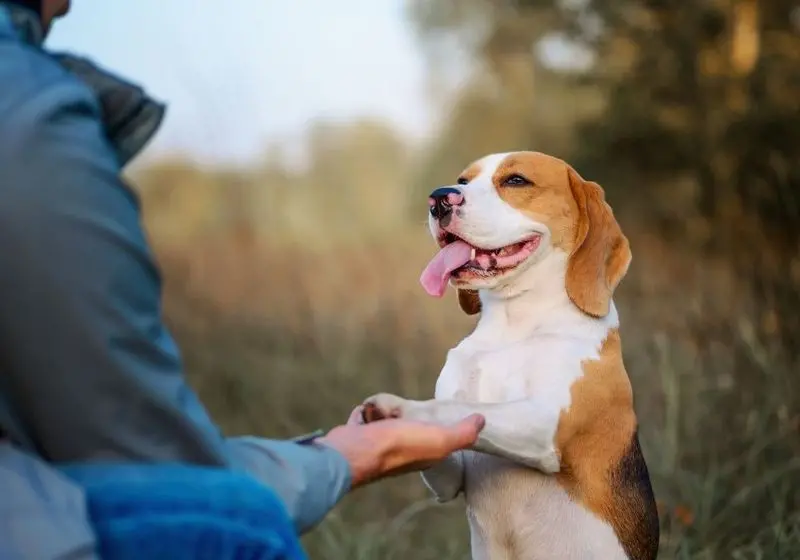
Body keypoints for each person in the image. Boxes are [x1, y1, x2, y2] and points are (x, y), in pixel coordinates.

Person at [0, 1, 485, 558]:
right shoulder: (27, 112)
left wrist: (334, 454)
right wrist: (348, 458)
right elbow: (166, 475)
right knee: (237, 526)